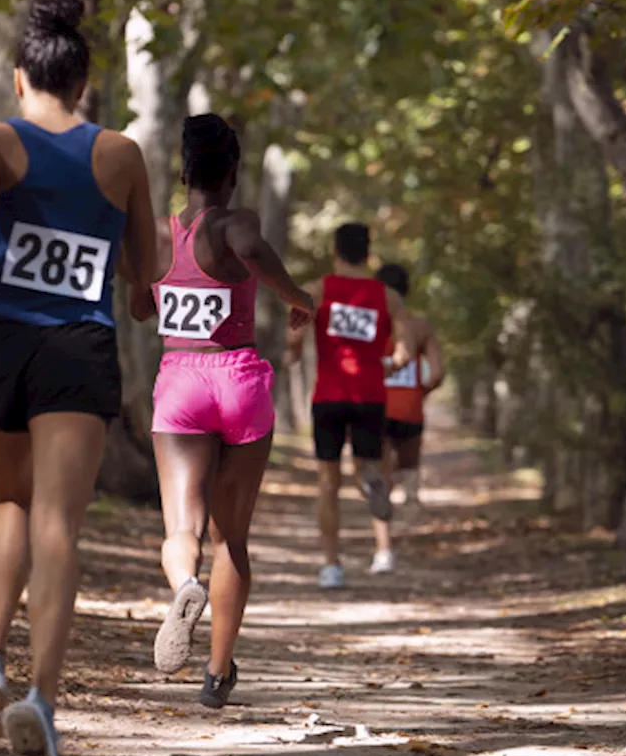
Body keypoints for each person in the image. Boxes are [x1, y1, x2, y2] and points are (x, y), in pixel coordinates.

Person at [0, 0, 157, 756]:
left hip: (0, 338)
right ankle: (43, 700)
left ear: (21, 74)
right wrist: (137, 291)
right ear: (85, 80)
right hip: (77, 345)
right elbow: (146, 278)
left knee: (10, 500)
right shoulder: (122, 155)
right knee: (61, 521)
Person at [144, 114, 314, 709]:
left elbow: (143, 305)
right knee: (232, 538)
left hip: (181, 384)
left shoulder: (162, 232)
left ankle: (185, 587)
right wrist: (299, 298)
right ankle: (217, 675)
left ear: (182, 169)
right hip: (240, 381)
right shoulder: (237, 221)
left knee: (181, 530)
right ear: (234, 171)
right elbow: (252, 249)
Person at [286, 223, 412, 589]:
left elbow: (293, 339)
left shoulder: (318, 291)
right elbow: (403, 353)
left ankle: (331, 565)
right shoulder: (388, 297)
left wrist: (292, 353)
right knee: (369, 468)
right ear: (369, 252)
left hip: (329, 395)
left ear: (335, 251)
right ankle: (377, 510)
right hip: (370, 395)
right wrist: (385, 364)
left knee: (328, 482)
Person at [375, 263, 445, 568]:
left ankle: (384, 550)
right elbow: (438, 372)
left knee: (378, 478)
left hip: (373, 409)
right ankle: (411, 519)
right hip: (410, 411)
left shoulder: (370, 326)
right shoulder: (420, 327)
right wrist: (421, 392)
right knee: (408, 473)